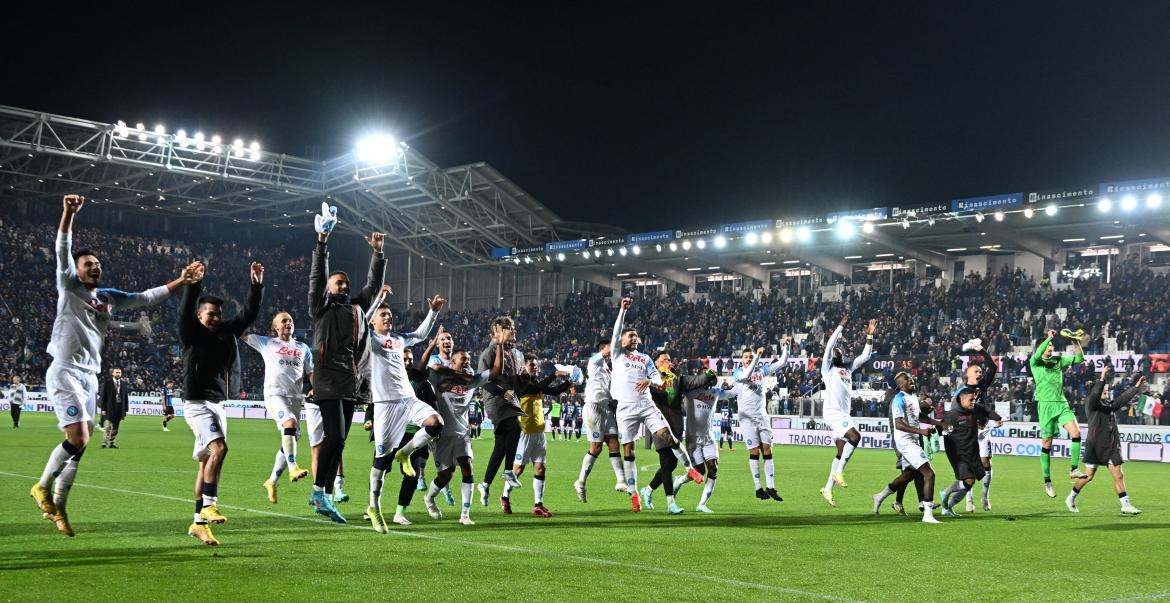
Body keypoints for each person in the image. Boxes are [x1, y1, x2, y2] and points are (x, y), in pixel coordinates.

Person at [31, 194, 192, 538]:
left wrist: (181, 281)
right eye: (87, 263)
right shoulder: (69, 287)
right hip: (65, 369)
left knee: (81, 445)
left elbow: (147, 297)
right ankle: (42, 486)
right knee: (79, 436)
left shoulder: (107, 296)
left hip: (91, 374)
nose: (94, 267)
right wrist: (67, 213)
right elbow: (62, 249)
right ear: (76, 270)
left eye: (96, 264)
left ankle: (59, 507)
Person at [307, 202, 385, 519]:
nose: (344, 285)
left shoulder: (356, 309)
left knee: (339, 442)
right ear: (328, 288)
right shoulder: (321, 308)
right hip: (327, 380)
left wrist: (378, 255)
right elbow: (316, 277)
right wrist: (322, 242)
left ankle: (323, 494)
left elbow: (374, 287)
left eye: (346, 283)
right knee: (335, 436)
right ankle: (317, 492)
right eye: (339, 282)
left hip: (352, 383)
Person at [178, 260, 264, 545]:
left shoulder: (226, 331)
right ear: (200, 316)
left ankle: (198, 524)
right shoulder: (191, 333)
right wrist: (194, 285)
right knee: (220, 448)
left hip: (217, 403)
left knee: (205, 463)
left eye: (217, 314)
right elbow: (184, 314)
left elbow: (248, 314)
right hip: (197, 403)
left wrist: (256, 285)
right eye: (210, 314)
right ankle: (209, 503)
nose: (215, 318)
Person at [610, 297, 701, 513]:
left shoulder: (645, 359)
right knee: (629, 451)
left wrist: (650, 380)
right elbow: (616, 332)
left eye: (636, 336)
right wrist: (622, 311)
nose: (635, 338)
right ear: (622, 340)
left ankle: (690, 470)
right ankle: (634, 494)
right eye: (631, 335)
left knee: (668, 436)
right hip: (625, 408)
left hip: (646, 404)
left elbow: (659, 379)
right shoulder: (617, 354)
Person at [364, 291, 444, 533]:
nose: (388, 318)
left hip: (408, 400)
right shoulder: (369, 339)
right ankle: (374, 507)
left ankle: (405, 453)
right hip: (385, 406)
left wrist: (434, 311)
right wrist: (376, 300)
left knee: (435, 423)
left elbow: (420, 334)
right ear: (373, 321)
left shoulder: (398, 339)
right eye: (383, 315)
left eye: (389, 314)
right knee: (380, 462)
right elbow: (359, 324)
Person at [422, 333, 505, 526]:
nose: (468, 362)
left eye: (469, 360)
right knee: (446, 474)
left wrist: (499, 345)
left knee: (467, 467)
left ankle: (465, 514)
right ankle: (429, 498)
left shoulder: (472, 381)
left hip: (462, 434)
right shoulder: (439, 378)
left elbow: (495, 370)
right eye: (463, 360)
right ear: (452, 362)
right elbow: (425, 367)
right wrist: (431, 346)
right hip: (442, 435)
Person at [244, 311, 314, 504]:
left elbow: (311, 372)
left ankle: (272, 481)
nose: (288, 322)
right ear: (275, 327)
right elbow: (240, 333)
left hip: (295, 398)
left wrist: (315, 388)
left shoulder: (303, 348)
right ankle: (293, 467)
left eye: (290, 320)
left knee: (291, 438)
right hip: (275, 394)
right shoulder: (266, 342)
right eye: (284, 320)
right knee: (289, 424)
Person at [1066, 365, 1145, 515]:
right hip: (1095, 446)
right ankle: (1071, 497)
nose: (1105, 392)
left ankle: (1125, 505)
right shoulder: (1091, 404)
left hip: (1111, 446)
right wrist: (1102, 378)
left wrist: (1135, 388)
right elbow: (1096, 393)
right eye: (1103, 390)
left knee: (1119, 475)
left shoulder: (1108, 405)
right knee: (1088, 476)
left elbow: (1121, 399)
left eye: (1107, 390)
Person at [501, 354, 573, 517]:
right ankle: (505, 497)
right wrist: (554, 375)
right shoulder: (518, 381)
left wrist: (569, 383)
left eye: (536, 365)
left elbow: (553, 391)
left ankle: (538, 504)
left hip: (539, 432)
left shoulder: (536, 383)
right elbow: (531, 390)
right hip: (524, 432)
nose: (535, 367)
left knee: (540, 467)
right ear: (523, 366)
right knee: (518, 469)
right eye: (532, 365)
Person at [872, 372, 945, 523]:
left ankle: (880, 496)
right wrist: (921, 431)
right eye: (907, 379)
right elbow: (898, 424)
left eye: (911, 379)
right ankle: (927, 514)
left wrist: (940, 423)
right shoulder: (898, 399)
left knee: (909, 474)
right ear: (900, 385)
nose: (911, 381)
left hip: (912, 439)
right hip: (905, 441)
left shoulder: (913, 398)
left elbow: (920, 417)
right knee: (929, 474)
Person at [818, 315, 876, 506]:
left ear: (842, 356)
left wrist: (869, 337)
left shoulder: (847, 369)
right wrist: (840, 327)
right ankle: (839, 472)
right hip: (833, 412)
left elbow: (865, 357)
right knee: (855, 437)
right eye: (834, 351)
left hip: (842, 414)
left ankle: (827, 488)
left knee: (840, 451)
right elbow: (828, 347)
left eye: (838, 351)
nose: (835, 352)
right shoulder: (827, 369)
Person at [1029, 329, 1086, 497]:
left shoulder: (1058, 360)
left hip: (1061, 404)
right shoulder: (1035, 362)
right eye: (1048, 346)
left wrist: (1075, 341)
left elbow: (1080, 358)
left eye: (1052, 345)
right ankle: (1047, 481)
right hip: (1045, 406)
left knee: (1076, 433)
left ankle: (1074, 469)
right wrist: (1047, 338)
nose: (1050, 348)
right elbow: (1038, 354)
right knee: (1047, 444)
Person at [476, 315, 527, 506]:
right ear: (496, 332)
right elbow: (483, 380)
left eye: (513, 327)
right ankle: (508, 471)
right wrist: (502, 392)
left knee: (500, 447)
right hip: (496, 401)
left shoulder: (515, 353)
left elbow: (517, 382)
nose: (513, 330)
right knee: (515, 428)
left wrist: (523, 379)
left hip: (510, 400)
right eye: (508, 328)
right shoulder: (489, 353)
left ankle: (485, 484)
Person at [939, 370, 1003, 518]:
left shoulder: (974, 409)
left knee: (969, 483)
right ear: (961, 401)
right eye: (970, 400)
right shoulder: (952, 415)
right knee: (969, 480)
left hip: (972, 450)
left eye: (974, 399)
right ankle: (946, 493)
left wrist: (997, 418)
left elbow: (987, 411)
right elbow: (940, 428)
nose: (973, 402)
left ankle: (947, 507)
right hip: (959, 453)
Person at [732, 341, 790, 502]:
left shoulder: (761, 371)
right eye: (746, 357)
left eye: (750, 356)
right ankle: (758, 488)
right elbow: (745, 376)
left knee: (767, 449)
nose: (749, 359)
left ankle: (770, 487)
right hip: (746, 418)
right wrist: (757, 357)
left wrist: (786, 347)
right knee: (754, 452)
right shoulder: (737, 373)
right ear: (741, 360)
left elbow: (782, 362)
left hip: (762, 416)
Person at [574, 340, 627, 502]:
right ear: (602, 349)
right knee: (596, 447)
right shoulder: (595, 361)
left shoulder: (607, 369)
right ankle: (580, 482)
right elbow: (607, 353)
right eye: (610, 347)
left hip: (607, 408)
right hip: (594, 407)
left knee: (613, 443)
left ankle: (621, 481)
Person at [673, 377, 734, 512]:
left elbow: (734, 392)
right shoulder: (691, 392)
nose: (711, 382)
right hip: (692, 439)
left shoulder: (716, 392)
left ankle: (702, 504)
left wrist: (744, 381)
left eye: (713, 379)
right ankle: (679, 480)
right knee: (699, 472)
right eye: (709, 378)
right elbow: (677, 388)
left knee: (713, 468)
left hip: (708, 437)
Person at [954, 339, 1000, 512]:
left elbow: (993, 367)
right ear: (967, 376)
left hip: (983, 431)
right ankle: (969, 499)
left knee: (985, 462)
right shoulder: (961, 393)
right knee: (969, 466)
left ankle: (985, 497)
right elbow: (956, 413)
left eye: (980, 371)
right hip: (967, 432)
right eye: (976, 371)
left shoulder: (982, 386)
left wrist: (980, 349)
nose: (980, 373)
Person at [99, 368, 130, 448]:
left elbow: (125, 397)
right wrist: (103, 409)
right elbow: (103, 397)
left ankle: (112, 443)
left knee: (116, 427)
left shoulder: (123, 384)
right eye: (117, 372)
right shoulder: (107, 384)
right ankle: (105, 442)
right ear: (113, 374)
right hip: (109, 408)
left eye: (119, 373)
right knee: (108, 426)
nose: (118, 374)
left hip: (119, 408)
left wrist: (126, 409)